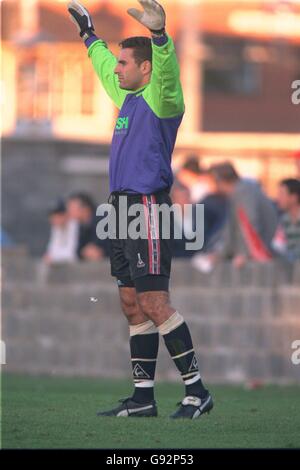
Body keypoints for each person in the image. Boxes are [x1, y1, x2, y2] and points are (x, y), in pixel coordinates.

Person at [68, 0, 213, 419]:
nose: (116, 69)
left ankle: (197, 392)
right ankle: (143, 398)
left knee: (153, 300)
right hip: (119, 210)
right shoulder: (127, 96)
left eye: (123, 63)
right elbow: (100, 67)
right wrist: (88, 35)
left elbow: (167, 71)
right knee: (131, 302)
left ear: (145, 68)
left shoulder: (163, 97)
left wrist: (160, 38)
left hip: (147, 207)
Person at [209, 162, 278, 268]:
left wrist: (244, 254)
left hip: (261, 253)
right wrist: (220, 254)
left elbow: (249, 223)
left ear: (221, 181)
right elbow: (231, 228)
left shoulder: (243, 191)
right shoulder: (239, 190)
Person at [66, 192, 109, 261]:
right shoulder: (81, 225)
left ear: (85, 208)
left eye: (72, 207)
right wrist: (85, 252)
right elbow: (78, 250)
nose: (68, 211)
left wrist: (102, 252)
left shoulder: (104, 219)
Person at [43, 199, 79, 264]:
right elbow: (51, 251)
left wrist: (53, 258)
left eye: (56, 216)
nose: (53, 220)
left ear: (65, 214)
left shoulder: (76, 226)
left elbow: (71, 254)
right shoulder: (56, 228)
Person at [275, 178, 300, 261]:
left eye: (282, 194)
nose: (278, 198)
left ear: (294, 197)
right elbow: (278, 246)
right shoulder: (284, 220)